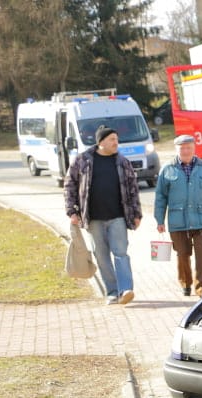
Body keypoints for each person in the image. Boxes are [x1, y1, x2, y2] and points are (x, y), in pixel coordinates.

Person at [64, 125, 142, 305]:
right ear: (101, 142)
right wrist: (72, 211)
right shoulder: (83, 160)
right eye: (112, 139)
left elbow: (133, 189)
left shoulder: (122, 162)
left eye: (116, 139)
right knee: (101, 256)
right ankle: (112, 292)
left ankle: (125, 290)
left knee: (121, 253)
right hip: (93, 219)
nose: (116, 142)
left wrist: (137, 214)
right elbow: (70, 186)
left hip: (118, 217)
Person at [154, 135, 202, 297]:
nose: (185, 151)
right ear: (176, 149)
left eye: (188, 147)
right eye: (182, 148)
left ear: (194, 148)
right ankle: (185, 283)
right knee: (182, 255)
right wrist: (159, 220)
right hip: (178, 222)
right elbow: (160, 197)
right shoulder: (167, 169)